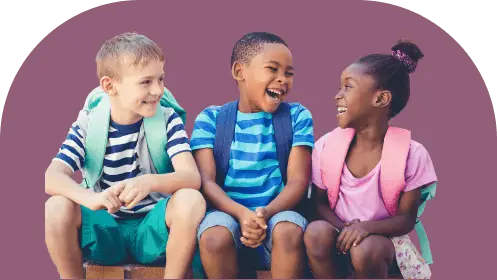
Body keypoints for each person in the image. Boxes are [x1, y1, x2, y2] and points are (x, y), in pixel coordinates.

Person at [44, 32, 206, 279]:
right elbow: (52, 177)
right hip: (105, 229)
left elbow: (191, 177)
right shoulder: (89, 124)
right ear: (110, 86)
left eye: (161, 79)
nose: (158, 90)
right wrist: (90, 198)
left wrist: (149, 182)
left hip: (152, 231)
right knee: (56, 205)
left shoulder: (167, 119)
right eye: (146, 82)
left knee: (191, 199)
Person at [305, 39, 437, 279]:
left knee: (365, 249)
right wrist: (346, 228)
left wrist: (365, 228)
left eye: (348, 87)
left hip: (384, 245)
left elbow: (406, 220)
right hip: (338, 233)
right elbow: (318, 204)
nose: (337, 95)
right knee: (315, 232)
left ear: (380, 99)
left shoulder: (412, 154)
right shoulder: (326, 146)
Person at [190, 32, 314, 278]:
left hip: (277, 220)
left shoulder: (298, 116)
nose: (282, 79)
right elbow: (206, 181)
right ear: (239, 72)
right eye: (272, 69)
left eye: (288, 73)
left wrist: (263, 214)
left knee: (288, 229)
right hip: (228, 220)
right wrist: (242, 215)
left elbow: (298, 181)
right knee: (214, 235)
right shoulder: (211, 119)